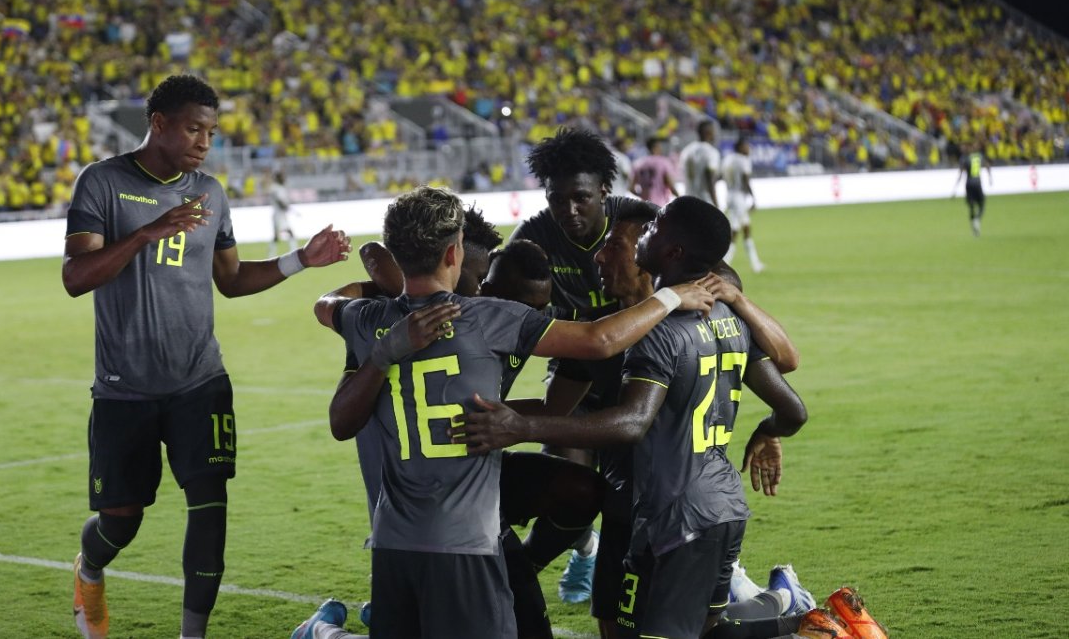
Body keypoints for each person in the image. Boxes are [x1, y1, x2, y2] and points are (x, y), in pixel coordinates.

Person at [312, 186, 713, 639]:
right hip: (464, 542)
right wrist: (673, 297)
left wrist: (386, 332)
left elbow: (325, 305)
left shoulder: (368, 320)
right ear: (453, 253)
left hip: (392, 543)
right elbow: (598, 340)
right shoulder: (485, 318)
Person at [61, 74, 351, 639]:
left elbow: (233, 279)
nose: (204, 141)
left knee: (210, 503)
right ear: (159, 123)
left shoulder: (210, 193)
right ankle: (90, 569)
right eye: (194, 128)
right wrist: (148, 233)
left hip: (200, 379)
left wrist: (301, 260)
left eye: (211, 132)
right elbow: (76, 278)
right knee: (121, 523)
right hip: (124, 386)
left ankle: (192, 634)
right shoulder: (102, 183)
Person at [457, 197, 813, 639]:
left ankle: (808, 625)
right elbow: (792, 407)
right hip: (681, 505)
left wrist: (520, 428)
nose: (601, 256)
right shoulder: (718, 316)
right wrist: (490, 415)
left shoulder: (654, 331)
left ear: (665, 254)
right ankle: (789, 609)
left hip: (671, 512)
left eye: (618, 245)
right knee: (698, 631)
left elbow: (631, 421)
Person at [510, 126, 659, 603]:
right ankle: (557, 557)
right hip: (575, 378)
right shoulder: (534, 237)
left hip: (646, 376)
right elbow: (497, 292)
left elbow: (703, 259)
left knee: (645, 496)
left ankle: (714, 570)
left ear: (604, 193)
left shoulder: (640, 221)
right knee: (576, 487)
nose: (568, 211)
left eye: (581, 198)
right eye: (557, 200)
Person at [721, 136, 765, 272]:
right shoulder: (743, 160)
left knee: (745, 228)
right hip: (739, 197)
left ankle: (755, 263)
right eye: (746, 146)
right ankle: (725, 264)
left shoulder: (728, 159)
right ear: (740, 147)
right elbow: (745, 179)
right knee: (735, 230)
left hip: (729, 194)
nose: (748, 149)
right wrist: (753, 198)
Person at [952, 142, 993, 237]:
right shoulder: (979, 156)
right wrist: (990, 178)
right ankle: (977, 220)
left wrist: (955, 190)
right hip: (977, 183)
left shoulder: (964, 159)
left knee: (971, 207)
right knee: (982, 204)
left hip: (968, 184)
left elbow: (961, 174)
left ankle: (974, 228)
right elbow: (987, 166)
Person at [680, 120, 722, 207]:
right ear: (708, 133)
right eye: (713, 131)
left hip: (687, 200)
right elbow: (709, 178)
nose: (715, 134)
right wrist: (716, 204)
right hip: (704, 201)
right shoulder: (711, 151)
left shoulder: (686, 150)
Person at [629, 137, 678, 206]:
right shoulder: (663, 162)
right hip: (660, 205)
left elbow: (631, 188)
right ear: (656, 147)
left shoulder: (638, 164)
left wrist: (642, 195)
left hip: (645, 205)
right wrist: (680, 197)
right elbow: (670, 185)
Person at [267, 169, 297, 255]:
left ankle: (293, 251)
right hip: (278, 215)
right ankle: (271, 254)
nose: (284, 178)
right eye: (282, 177)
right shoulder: (275, 188)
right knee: (277, 236)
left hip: (282, 215)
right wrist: (286, 207)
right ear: (278, 178)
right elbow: (279, 201)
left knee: (289, 233)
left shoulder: (281, 188)